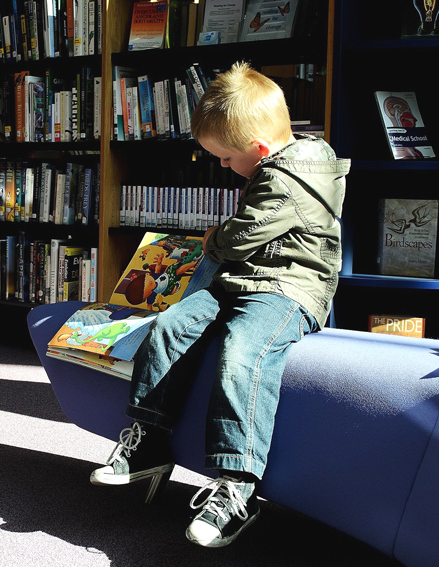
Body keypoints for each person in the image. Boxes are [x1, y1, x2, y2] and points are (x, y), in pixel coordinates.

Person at [89, 62, 350, 548]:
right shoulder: (274, 164)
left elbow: (241, 235)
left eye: (227, 159)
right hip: (241, 280)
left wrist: (212, 238)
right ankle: (149, 441)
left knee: (242, 351)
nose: (224, 168)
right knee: (169, 327)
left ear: (258, 149)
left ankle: (239, 487)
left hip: (289, 289)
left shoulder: (293, 179)